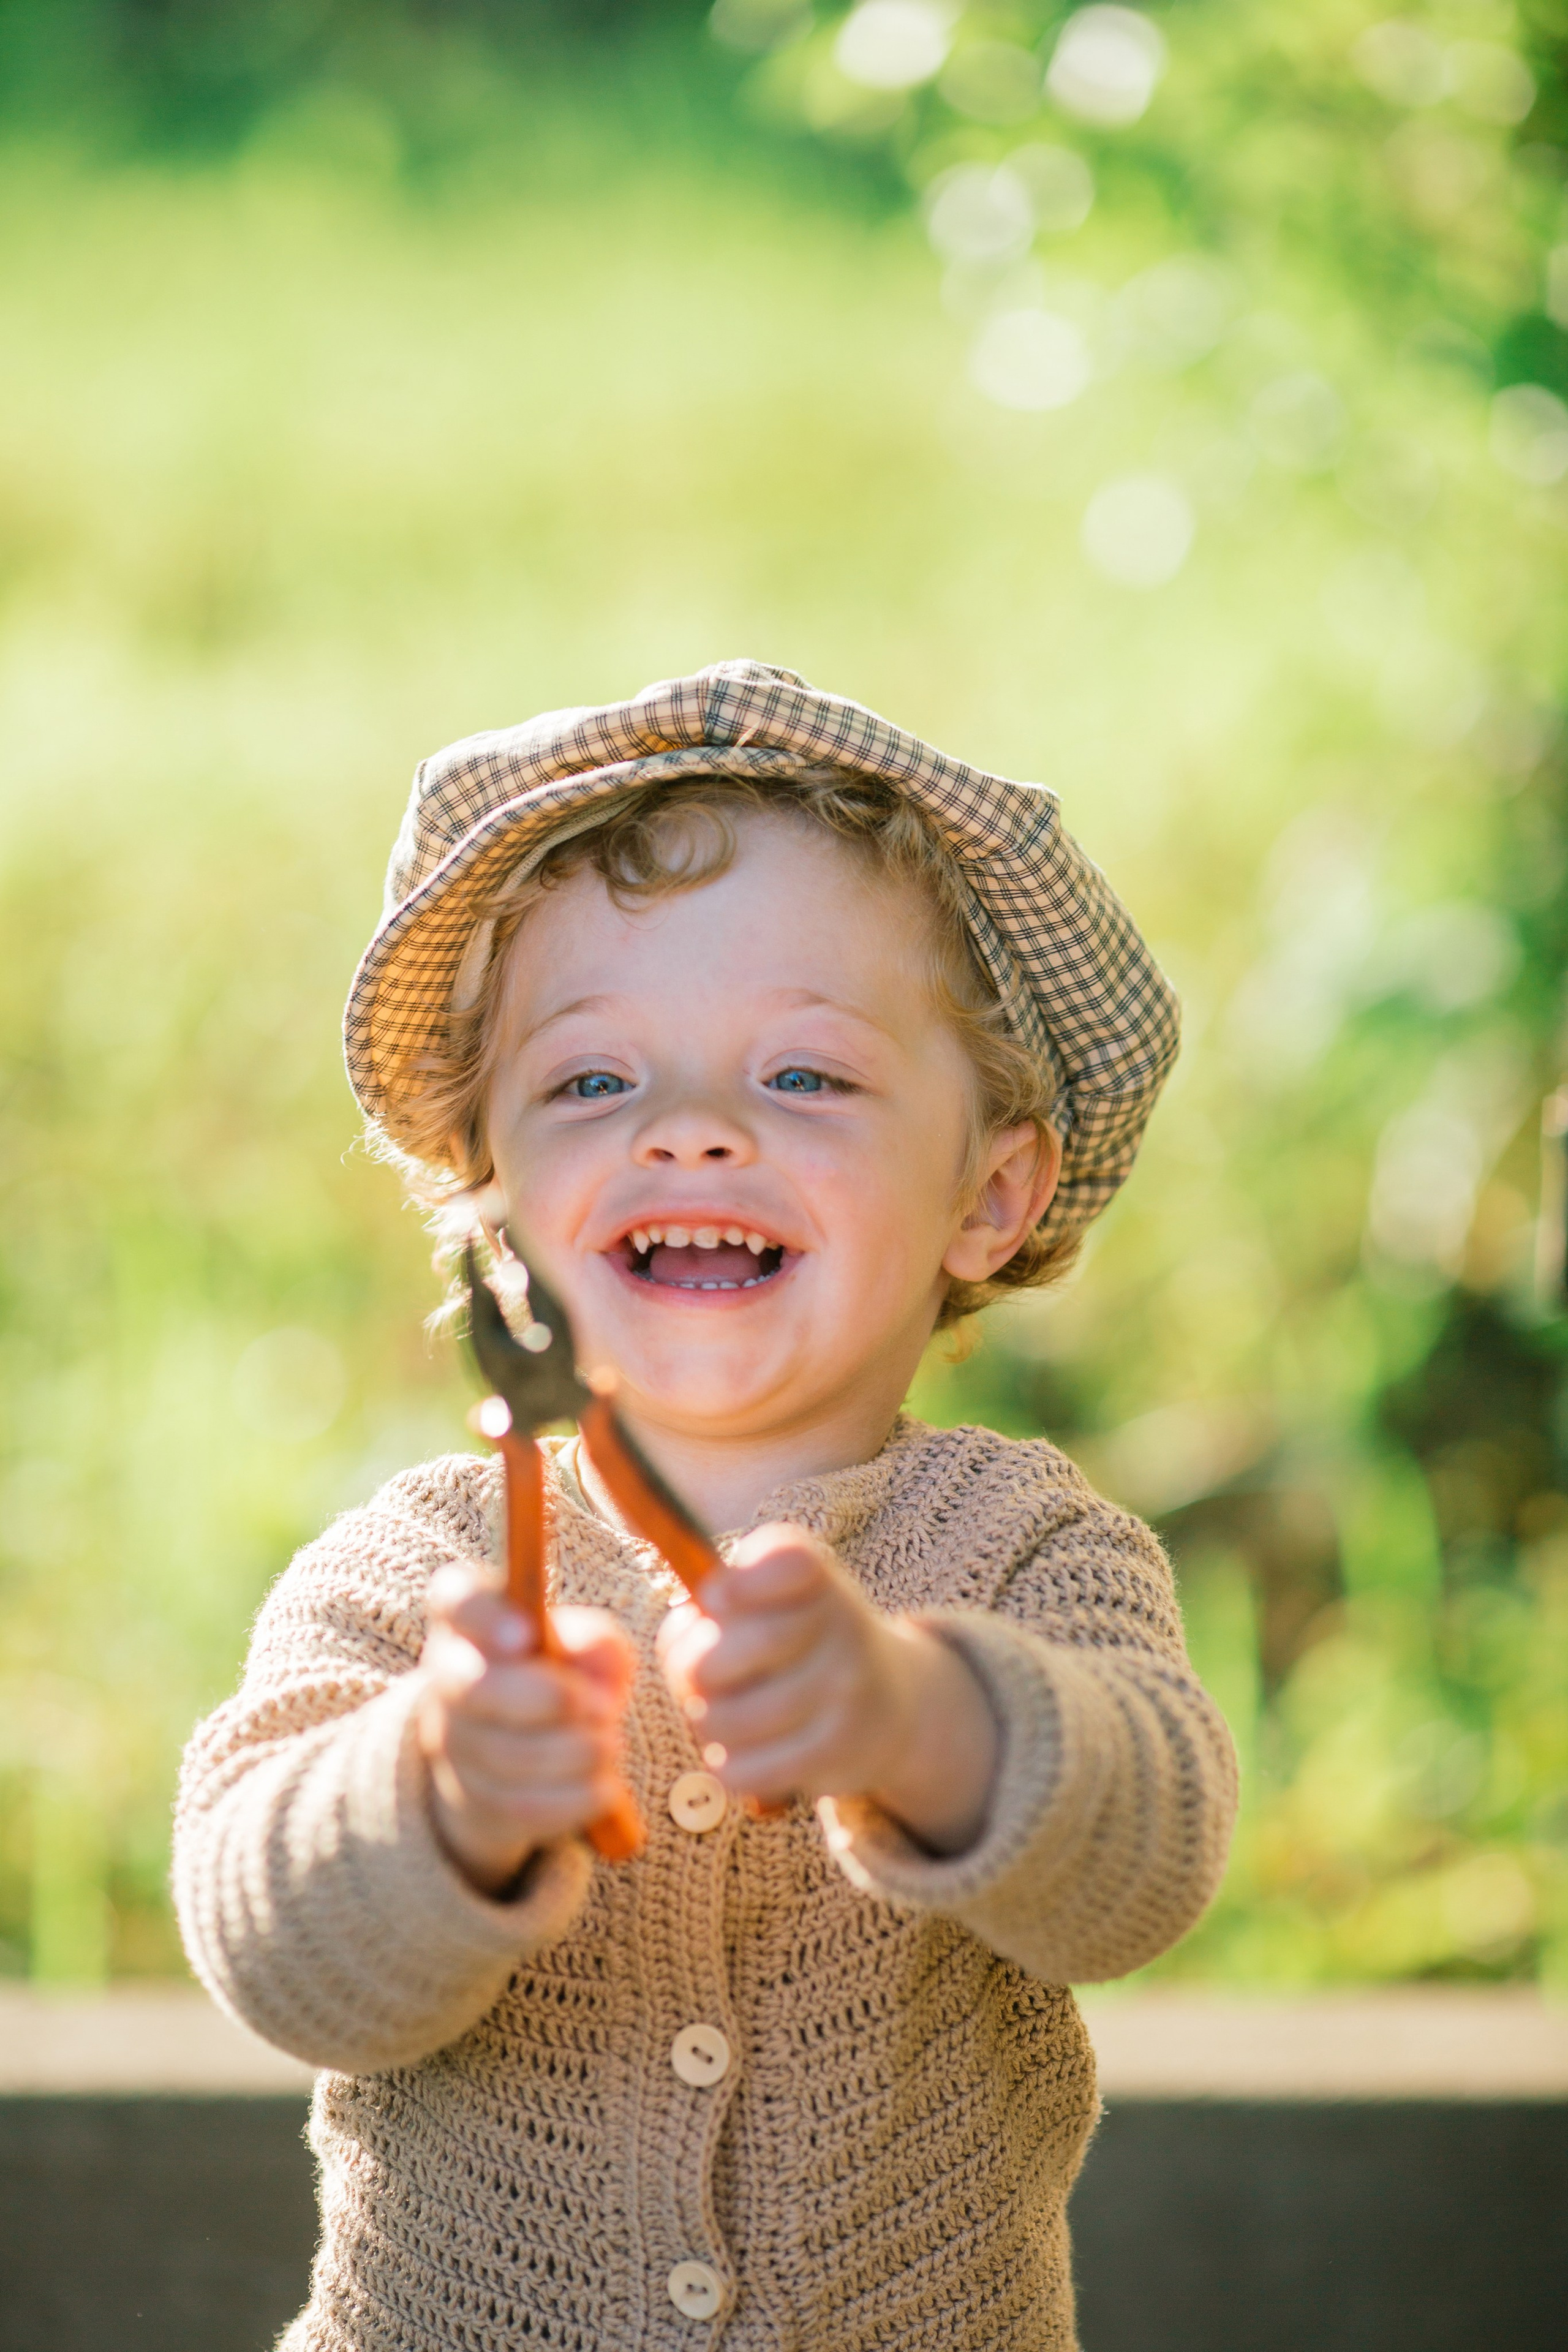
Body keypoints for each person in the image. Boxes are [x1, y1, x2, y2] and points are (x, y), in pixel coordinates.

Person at [175, 659, 1237, 2351]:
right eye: (595, 1084)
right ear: (491, 1204)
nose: (692, 1134)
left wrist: (920, 1717)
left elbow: (1147, 1866)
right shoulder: (417, 1573)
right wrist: (433, 1795)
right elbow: (270, 1952)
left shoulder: (1026, 1548)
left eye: (803, 1078)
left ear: (993, 1192)